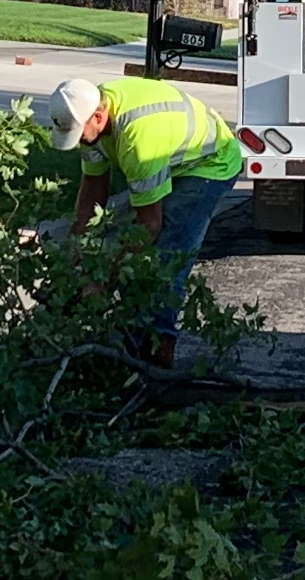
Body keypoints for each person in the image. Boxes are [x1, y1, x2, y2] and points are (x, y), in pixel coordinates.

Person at [46, 76, 243, 368]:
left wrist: (103, 279)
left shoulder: (138, 139)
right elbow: (92, 190)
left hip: (209, 163)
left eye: (79, 133)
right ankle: (130, 351)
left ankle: (156, 364)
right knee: (131, 256)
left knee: (164, 261)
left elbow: (149, 224)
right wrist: (74, 257)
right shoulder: (91, 118)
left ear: (98, 117)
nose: (80, 141)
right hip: (172, 160)